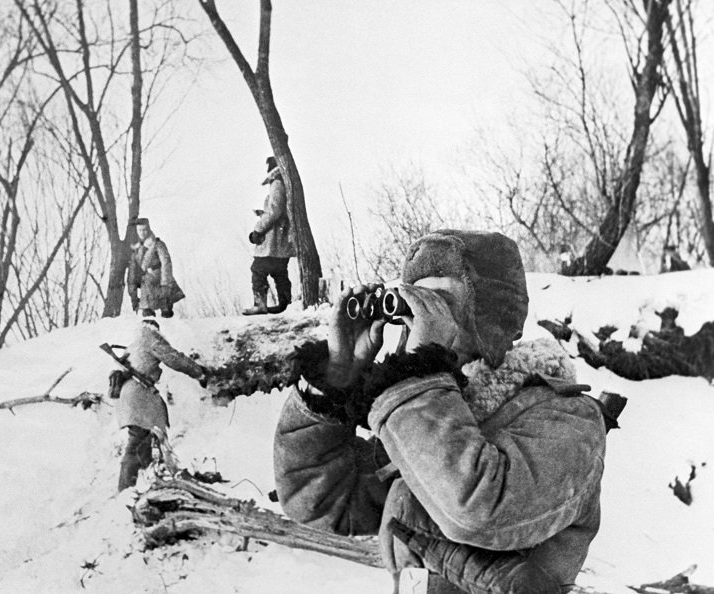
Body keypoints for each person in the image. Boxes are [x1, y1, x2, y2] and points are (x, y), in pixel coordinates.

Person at [273, 230, 609, 593]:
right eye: (416, 300)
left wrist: (418, 377)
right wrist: (340, 374)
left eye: (441, 301)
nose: (420, 316)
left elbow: (478, 511)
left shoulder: (568, 419)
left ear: (490, 314)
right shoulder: (435, 414)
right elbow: (318, 499)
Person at [115, 318, 207, 491]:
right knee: (136, 442)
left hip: (132, 392)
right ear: (154, 328)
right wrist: (199, 373)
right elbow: (173, 358)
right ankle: (126, 489)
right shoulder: (151, 338)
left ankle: (147, 483)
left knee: (144, 440)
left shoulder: (135, 343)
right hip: (139, 393)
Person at [243, 156, 296, 315]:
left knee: (258, 270)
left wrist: (258, 230)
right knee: (280, 273)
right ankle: (285, 304)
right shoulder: (284, 181)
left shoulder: (277, 183)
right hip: (282, 241)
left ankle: (260, 304)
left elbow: (274, 211)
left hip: (273, 242)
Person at [128, 218, 185, 318]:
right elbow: (132, 274)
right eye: (139, 230)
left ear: (149, 229)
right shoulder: (136, 250)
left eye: (144, 230)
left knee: (166, 313)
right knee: (147, 314)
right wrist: (133, 297)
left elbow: (166, 263)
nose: (142, 232)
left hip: (160, 283)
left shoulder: (158, 244)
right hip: (147, 287)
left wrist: (165, 284)